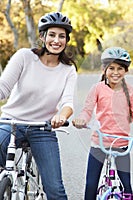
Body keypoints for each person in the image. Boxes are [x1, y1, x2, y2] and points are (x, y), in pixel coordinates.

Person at [0, 12, 77, 200]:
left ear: (66, 40)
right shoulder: (25, 57)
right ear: (43, 37)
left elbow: (68, 103)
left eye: (62, 36)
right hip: (11, 123)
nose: (56, 40)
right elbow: (3, 88)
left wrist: (61, 116)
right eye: (52, 35)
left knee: (55, 191)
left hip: (42, 128)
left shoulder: (68, 70)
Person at [72, 47, 133, 200]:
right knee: (91, 185)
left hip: (121, 144)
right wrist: (82, 119)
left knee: (127, 188)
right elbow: (87, 110)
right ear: (103, 69)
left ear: (126, 71)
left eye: (120, 68)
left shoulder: (130, 91)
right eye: (111, 68)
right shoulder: (97, 89)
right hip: (99, 143)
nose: (116, 72)